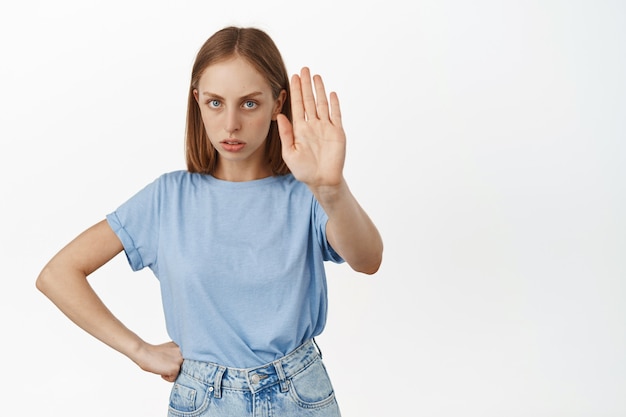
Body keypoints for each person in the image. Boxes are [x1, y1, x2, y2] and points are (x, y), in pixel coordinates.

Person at [36, 26, 383, 417]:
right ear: (197, 101)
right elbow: (57, 273)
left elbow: (368, 260)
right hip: (204, 400)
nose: (231, 124)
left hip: (299, 394)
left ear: (277, 103)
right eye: (216, 103)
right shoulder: (168, 199)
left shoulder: (306, 193)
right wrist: (139, 350)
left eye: (249, 104)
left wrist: (331, 189)